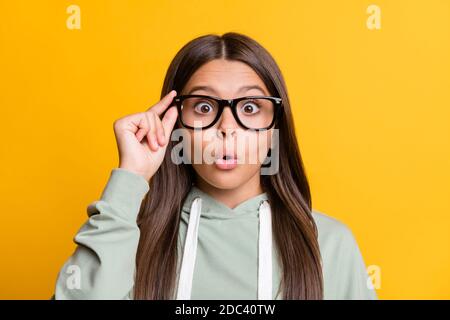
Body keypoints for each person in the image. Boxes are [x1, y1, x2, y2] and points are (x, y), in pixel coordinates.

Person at [52, 32, 377, 300]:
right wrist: (130, 177)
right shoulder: (131, 239)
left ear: (274, 127)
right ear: (174, 122)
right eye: (204, 106)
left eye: (249, 107)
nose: (226, 127)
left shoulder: (328, 243)